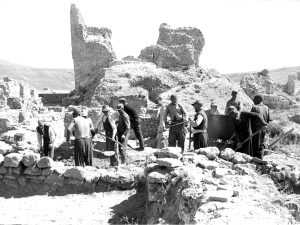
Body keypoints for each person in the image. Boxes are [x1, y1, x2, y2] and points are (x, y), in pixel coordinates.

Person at [250, 94, 271, 158]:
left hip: (255, 131)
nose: (253, 100)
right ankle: (260, 160)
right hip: (263, 130)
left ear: (259, 99)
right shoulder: (266, 108)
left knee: (254, 147)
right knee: (261, 146)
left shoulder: (255, 108)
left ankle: (255, 162)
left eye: (255, 99)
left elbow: (250, 120)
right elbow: (268, 120)